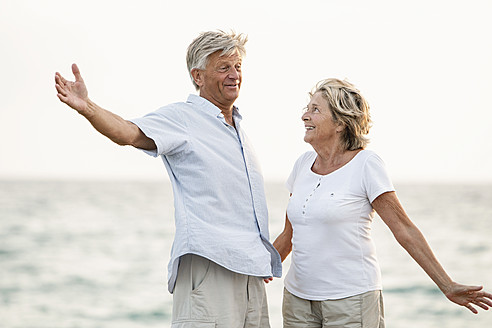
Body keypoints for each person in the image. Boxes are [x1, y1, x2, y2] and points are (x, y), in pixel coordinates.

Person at [55, 30, 281, 328]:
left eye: (238, 67)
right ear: (198, 76)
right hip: (210, 265)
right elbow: (128, 133)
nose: (234, 75)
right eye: (224, 67)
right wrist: (88, 107)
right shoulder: (183, 118)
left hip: (250, 271)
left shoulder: (237, 128)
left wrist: (259, 254)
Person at [272, 78, 492, 327]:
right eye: (307, 108)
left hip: (351, 302)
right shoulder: (302, 165)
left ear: (341, 124)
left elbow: (404, 230)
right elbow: (290, 234)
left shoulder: (366, 165)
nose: (305, 116)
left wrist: (446, 284)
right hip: (298, 301)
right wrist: (256, 270)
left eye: (315, 110)